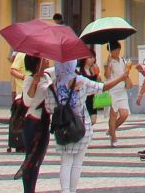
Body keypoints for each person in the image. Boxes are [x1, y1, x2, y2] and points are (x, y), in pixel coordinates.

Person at [35, 55, 121, 193]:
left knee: (66, 162)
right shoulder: (80, 80)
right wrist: (122, 77)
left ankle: (65, 191)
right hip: (81, 126)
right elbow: (102, 87)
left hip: (62, 127)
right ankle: (73, 190)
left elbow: (49, 108)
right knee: (77, 164)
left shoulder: (53, 85)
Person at [16, 57, 51, 193]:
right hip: (33, 123)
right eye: (44, 59)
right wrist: (34, 84)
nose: (47, 60)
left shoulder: (47, 76)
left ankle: (32, 189)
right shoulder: (29, 79)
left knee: (37, 161)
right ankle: (28, 190)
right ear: (37, 64)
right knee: (31, 159)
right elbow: (27, 101)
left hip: (45, 122)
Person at [6, 46, 29, 153]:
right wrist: (24, 77)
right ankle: (19, 142)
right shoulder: (21, 55)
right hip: (22, 92)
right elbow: (13, 70)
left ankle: (29, 141)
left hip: (34, 93)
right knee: (21, 119)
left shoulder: (38, 56)